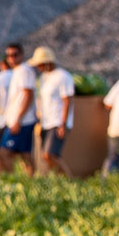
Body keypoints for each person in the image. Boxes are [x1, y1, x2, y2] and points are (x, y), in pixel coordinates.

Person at [30, 48, 75, 177]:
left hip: (57, 121)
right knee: (47, 156)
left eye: (39, 64)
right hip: (46, 122)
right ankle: (59, 180)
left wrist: (63, 124)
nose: (38, 67)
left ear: (47, 63)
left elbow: (67, 100)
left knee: (49, 155)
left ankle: (69, 180)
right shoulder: (44, 78)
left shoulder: (63, 76)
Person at [0, 50, 38, 175]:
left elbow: (28, 95)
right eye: (9, 56)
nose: (12, 58)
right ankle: (31, 180)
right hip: (20, 120)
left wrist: (18, 119)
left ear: (21, 55)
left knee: (4, 152)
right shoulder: (18, 71)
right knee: (25, 153)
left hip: (22, 121)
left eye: (15, 55)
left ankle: (12, 180)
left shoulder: (23, 71)